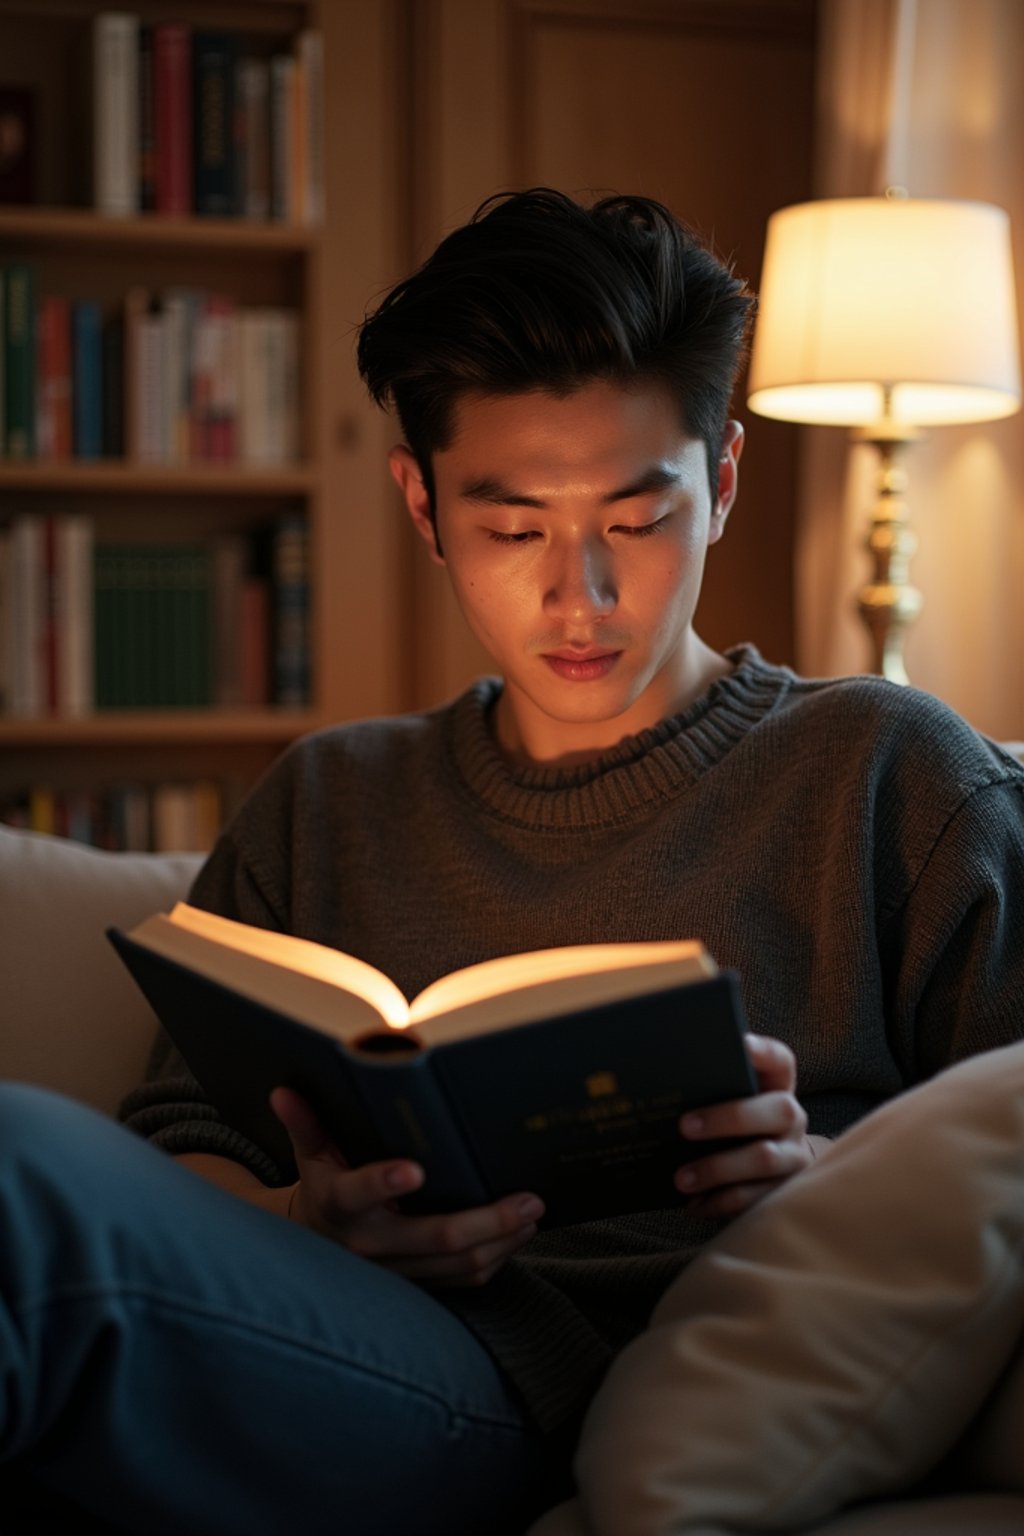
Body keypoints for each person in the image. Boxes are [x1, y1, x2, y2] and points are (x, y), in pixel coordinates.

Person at [2, 188, 1023, 1536]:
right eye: (512, 527)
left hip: (660, 1387)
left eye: (637, 520)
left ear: (720, 483)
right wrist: (311, 1219)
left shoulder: (891, 774)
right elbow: (181, 1141)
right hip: (369, 1349)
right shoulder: (332, 796)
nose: (580, 595)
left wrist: (823, 1187)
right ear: (422, 506)